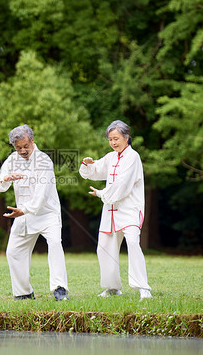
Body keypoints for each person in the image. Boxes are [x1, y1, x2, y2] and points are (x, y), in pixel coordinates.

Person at [0, 124, 69, 301]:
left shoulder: (44, 161)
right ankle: (24, 293)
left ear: (32, 141)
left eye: (25, 146)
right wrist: (5, 179)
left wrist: (24, 210)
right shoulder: (12, 160)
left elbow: (42, 196)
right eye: (18, 147)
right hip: (23, 215)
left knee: (55, 244)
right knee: (13, 252)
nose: (23, 150)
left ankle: (60, 289)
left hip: (47, 214)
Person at [79, 120, 152, 300]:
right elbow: (96, 170)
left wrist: (102, 193)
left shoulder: (133, 157)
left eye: (116, 138)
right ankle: (112, 288)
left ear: (127, 138)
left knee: (133, 244)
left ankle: (143, 288)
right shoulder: (111, 157)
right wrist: (87, 165)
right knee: (104, 247)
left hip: (129, 210)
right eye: (110, 139)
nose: (113, 142)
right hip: (110, 211)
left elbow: (123, 185)